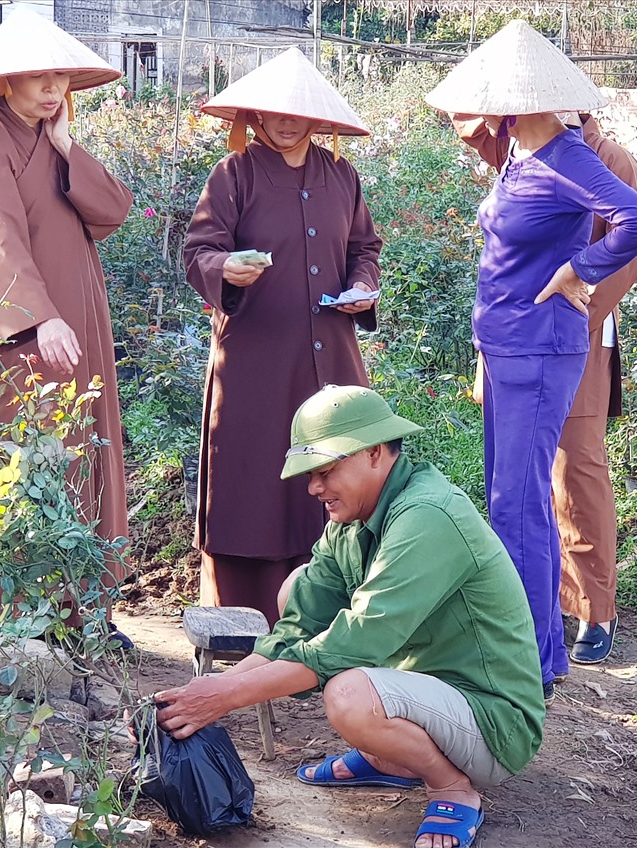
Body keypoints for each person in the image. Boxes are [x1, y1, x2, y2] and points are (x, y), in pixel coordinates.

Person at [156, 385, 544, 848]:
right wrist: (213, 689)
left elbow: (355, 643)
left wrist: (227, 696)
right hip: (427, 695)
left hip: (492, 723)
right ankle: (391, 759)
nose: (314, 488)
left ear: (375, 453)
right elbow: (298, 627)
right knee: (297, 585)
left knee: (348, 695)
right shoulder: (352, 522)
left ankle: (452, 788)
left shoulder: (428, 516)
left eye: (325, 470)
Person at [426, 20, 637, 701]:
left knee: (518, 506)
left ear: (518, 97)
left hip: (539, 347)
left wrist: (580, 270)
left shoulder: (567, 155)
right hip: (505, 348)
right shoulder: (519, 154)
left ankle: (525, 662)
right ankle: (541, 652)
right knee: (514, 502)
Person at [0, 9, 134, 641]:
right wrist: (39, 318)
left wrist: (68, 148)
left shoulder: (54, 143)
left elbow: (113, 212)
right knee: (25, 457)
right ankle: (20, 611)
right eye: (39, 78)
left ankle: (83, 611)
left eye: (60, 78)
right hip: (20, 329)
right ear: (6, 83)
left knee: (84, 452)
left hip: (81, 323)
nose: (54, 90)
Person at [184, 48, 382, 626]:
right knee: (257, 477)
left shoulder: (341, 175)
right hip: (256, 362)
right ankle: (247, 622)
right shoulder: (234, 175)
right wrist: (226, 269)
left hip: (331, 354)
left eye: (299, 111)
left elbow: (362, 249)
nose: (287, 120)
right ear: (255, 115)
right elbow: (200, 251)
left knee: (336, 467)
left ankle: (330, 619)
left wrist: (363, 285)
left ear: (319, 118)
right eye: (275, 111)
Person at [454, 112, 637, 665]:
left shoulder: (600, 157)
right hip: (519, 339)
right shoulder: (520, 150)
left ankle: (594, 608)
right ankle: (548, 615)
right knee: (522, 490)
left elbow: (631, 247)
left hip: (572, 329)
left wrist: (578, 293)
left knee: (575, 470)